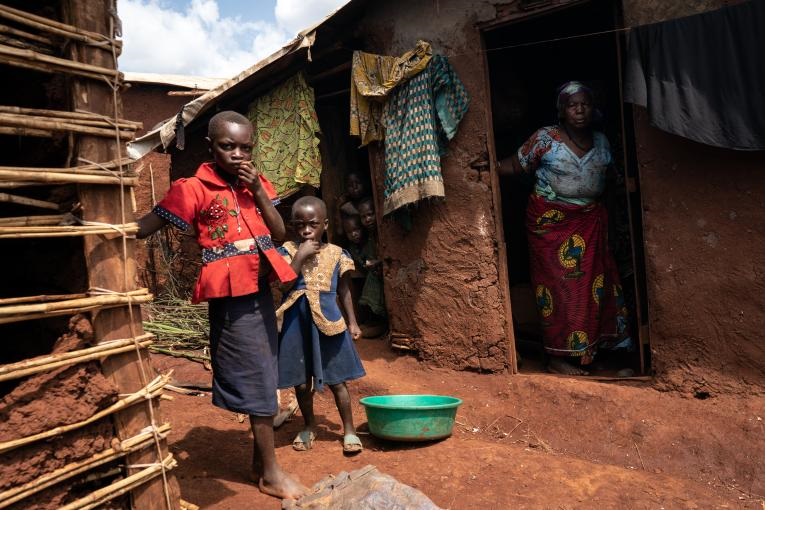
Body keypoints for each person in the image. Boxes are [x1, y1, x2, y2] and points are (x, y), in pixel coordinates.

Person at [135, 110, 308, 499]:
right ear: (210, 147)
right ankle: (271, 475)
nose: (237, 155)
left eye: (245, 148)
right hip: (232, 301)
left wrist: (260, 193)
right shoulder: (193, 188)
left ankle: (259, 466)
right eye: (228, 146)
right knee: (259, 378)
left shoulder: (256, 185)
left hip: (260, 295)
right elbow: (148, 225)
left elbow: (280, 234)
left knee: (264, 371)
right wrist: (110, 228)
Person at [497, 81, 630, 376]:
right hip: (550, 225)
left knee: (596, 289)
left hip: (591, 223)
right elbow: (516, 166)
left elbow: (610, 182)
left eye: (585, 104)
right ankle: (557, 357)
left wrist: (608, 224)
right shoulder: (546, 139)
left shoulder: (602, 142)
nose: (579, 110)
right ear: (562, 110)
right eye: (572, 105)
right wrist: (488, 167)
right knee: (559, 289)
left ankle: (594, 352)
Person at [275, 196, 366, 454]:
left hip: (330, 322)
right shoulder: (288, 251)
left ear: (324, 224)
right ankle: (310, 425)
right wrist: (300, 257)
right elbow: (284, 283)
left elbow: (345, 291)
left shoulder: (337, 254)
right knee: (302, 383)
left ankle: (349, 429)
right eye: (299, 225)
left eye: (312, 224)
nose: (305, 230)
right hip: (297, 322)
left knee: (338, 380)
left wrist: (353, 322)